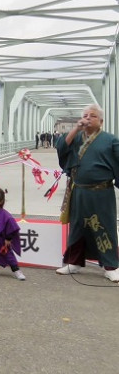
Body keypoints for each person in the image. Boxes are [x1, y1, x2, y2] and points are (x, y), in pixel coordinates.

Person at [55, 104, 119, 282]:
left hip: (101, 192)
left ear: (101, 121)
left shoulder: (110, 140)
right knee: (77, 227)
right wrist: (76, 128)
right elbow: (61, 147)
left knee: (105, 227)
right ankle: (74, 262)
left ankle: (111, 266)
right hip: (79, 191)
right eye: (85, 115)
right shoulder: (76, 137)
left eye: (92, 115)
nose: (88, 118)